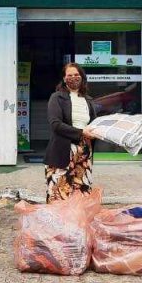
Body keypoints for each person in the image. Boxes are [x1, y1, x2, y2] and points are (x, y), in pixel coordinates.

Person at [44, 63, 98, 203]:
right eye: (69, 75)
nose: (73, 78)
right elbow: (55, 124)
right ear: (64, 78)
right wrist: (81, 132)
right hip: (62, 149)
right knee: (60, 193)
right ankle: (58, 224)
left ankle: (78, 223)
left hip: (84, 150)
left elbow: (93, 123)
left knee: (82, 191)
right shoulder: (57, 98)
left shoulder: (88, 100)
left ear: (82, 77)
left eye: (76, 75)